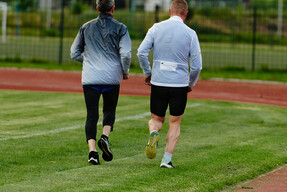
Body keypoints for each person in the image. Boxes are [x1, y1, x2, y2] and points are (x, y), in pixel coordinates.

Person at [137, 0, 202, 168]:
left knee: (156, 119)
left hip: (158, 81)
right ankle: (166, 159)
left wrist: (148, 73)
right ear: (185, 13)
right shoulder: (190, 33)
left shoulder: (156, 28)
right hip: (179, 84)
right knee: (175, 122)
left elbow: (141, 52)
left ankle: (153, 132)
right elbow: (197, 66)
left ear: (169, 10)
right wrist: (190, 83)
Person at [70, 0, 131, 165]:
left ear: (97, 8)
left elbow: (74, 52)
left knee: (91, 115)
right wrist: (125, 71)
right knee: (109, 110)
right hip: (112, 76)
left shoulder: (85, 27)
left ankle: (92, 152)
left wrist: (89, 60)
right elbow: (126, 54)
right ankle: (105, 137)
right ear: (113, 8)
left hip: (91, 77)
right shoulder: (121, 28)